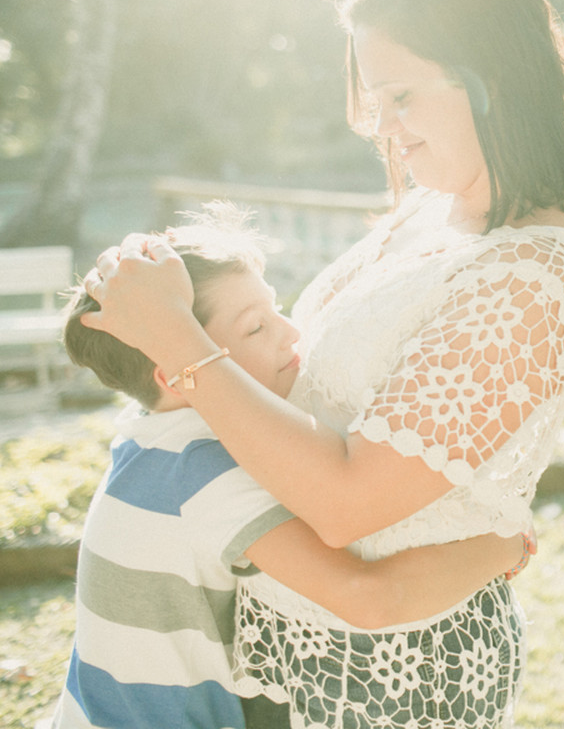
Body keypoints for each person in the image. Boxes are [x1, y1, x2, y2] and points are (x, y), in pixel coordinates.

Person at [81, 0, 564, 727]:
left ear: (493, 79)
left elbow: (347, 503)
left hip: (393, 672)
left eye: (401, 96)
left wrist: (177, 339)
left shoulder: (531, 278)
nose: (383, 127)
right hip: (287, 653)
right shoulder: (431, 210)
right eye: (375, 98)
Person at [54, 208, 531, 729]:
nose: (291, 332)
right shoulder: (207, 473)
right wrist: (504, 544)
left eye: (275, 309)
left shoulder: (146, 434)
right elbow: (368, 598)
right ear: (175, 370)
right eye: (257, 326)